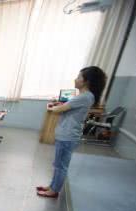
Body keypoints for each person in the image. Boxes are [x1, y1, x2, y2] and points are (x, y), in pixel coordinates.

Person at [37, 66, 107, 198]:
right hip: (68, 134)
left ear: (86, 81)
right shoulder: (85, 96)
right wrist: (61, 105)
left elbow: (58, 110)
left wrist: (56, 106)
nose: (75, 79)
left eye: (79, 77)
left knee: (60, 165)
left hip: (67, 136)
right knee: (58, 163)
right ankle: (52, 186)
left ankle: (54, 190)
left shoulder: (84, 97)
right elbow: (67, 107)